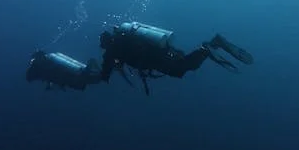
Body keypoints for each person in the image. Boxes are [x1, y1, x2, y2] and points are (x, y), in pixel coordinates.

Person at [98, 21, 254, 95]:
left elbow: (105, 73)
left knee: (180, 69)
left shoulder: (113, 49)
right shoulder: (124, 39)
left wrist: (100, 75)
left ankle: (208, 47)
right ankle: (208, 47)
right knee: (182, 67)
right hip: (163, 51)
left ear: (106, 42)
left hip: (156, 58)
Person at [25, 50, 102, 91]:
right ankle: (94, 68)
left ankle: (92, 65)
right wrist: (50, 85)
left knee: (92, 78)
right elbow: (51, 76)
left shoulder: (44, 66)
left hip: (74, 76)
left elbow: (52, 75)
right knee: (92, 78)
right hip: (72, 77)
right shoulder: (43, 67)